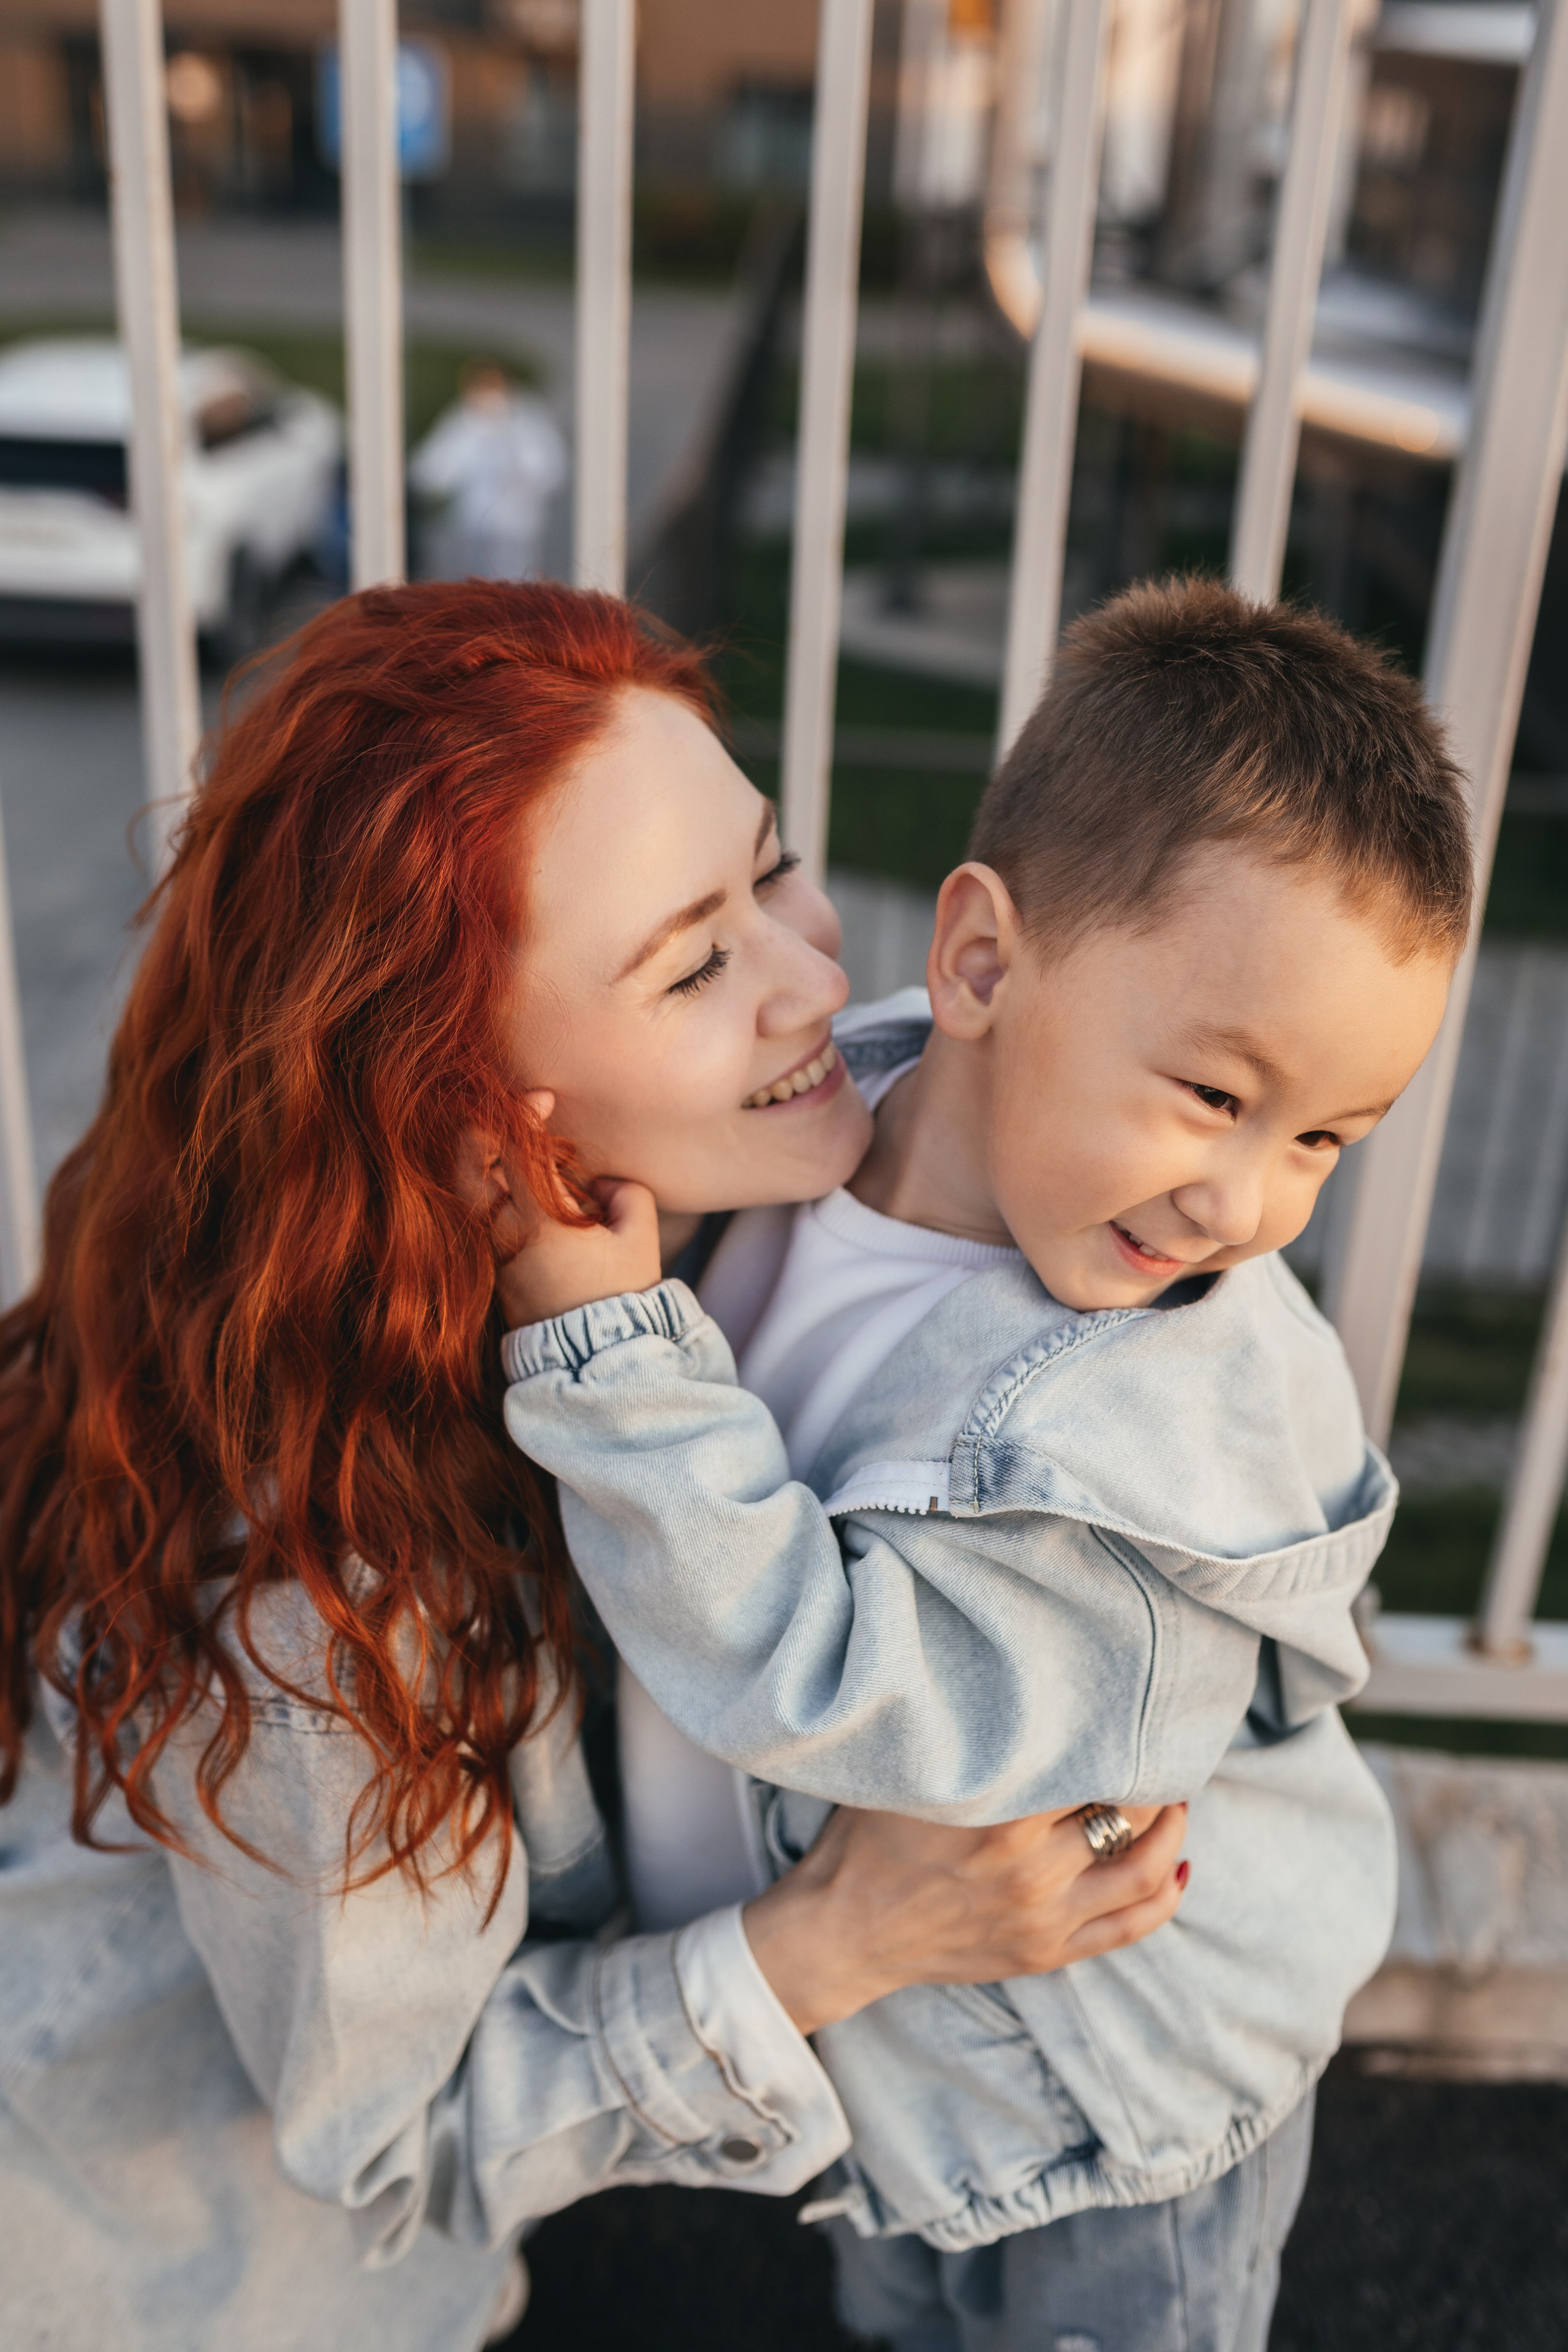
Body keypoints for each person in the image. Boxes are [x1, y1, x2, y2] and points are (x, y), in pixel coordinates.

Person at [0, 581, 1186, 2352]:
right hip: (188, 2279)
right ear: (466, 1110)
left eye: (772, 870)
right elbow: (390, 2144)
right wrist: (843, 1937)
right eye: (696, 964)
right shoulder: (324, 1603)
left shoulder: (636, 1250)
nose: (817, 973)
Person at [489, 580, 1474, 2352]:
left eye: (1323, 1136)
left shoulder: (1137, 1442)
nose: (1248, 1205)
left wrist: (600, 1355)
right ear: (980, 965)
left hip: (1112, 2130)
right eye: (1211, 1094)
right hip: (913, 2094)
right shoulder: (818, 1131)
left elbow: (824, 1679)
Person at [409, 362, 567, 584]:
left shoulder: (528, 421)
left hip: (515, 527)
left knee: (514, 584)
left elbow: (548, 471)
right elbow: (431, 470)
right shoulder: (463, 421)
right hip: (470, 526)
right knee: (471, 585)